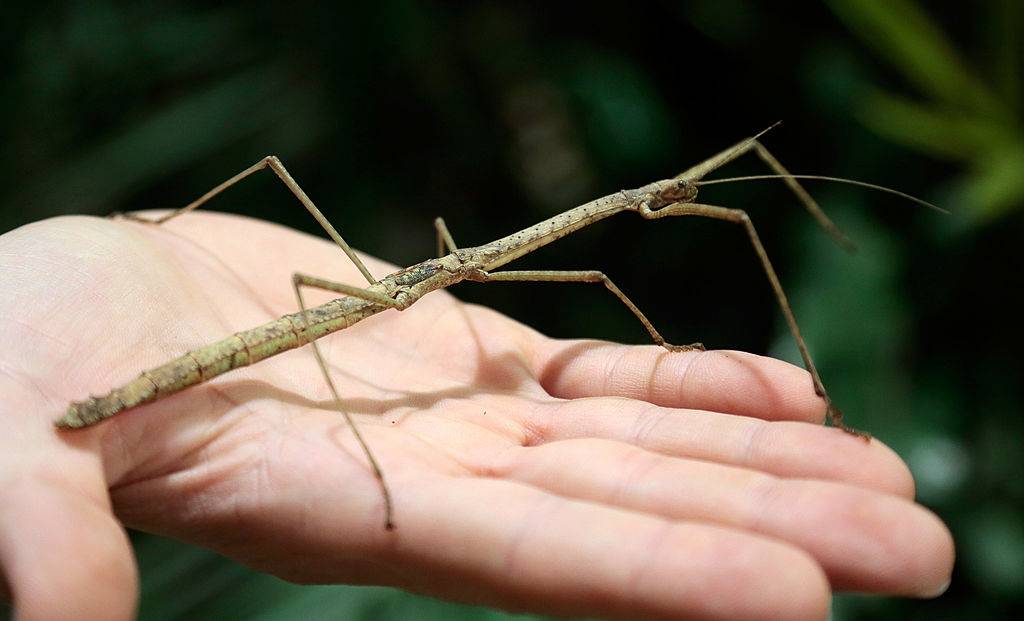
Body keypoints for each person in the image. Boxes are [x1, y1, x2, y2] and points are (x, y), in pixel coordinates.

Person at [0, 212, 953, 621]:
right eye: (665, 200)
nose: (672, 204)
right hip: (309, 317)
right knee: (598, 269)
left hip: (378, 295)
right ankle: (367, 462)